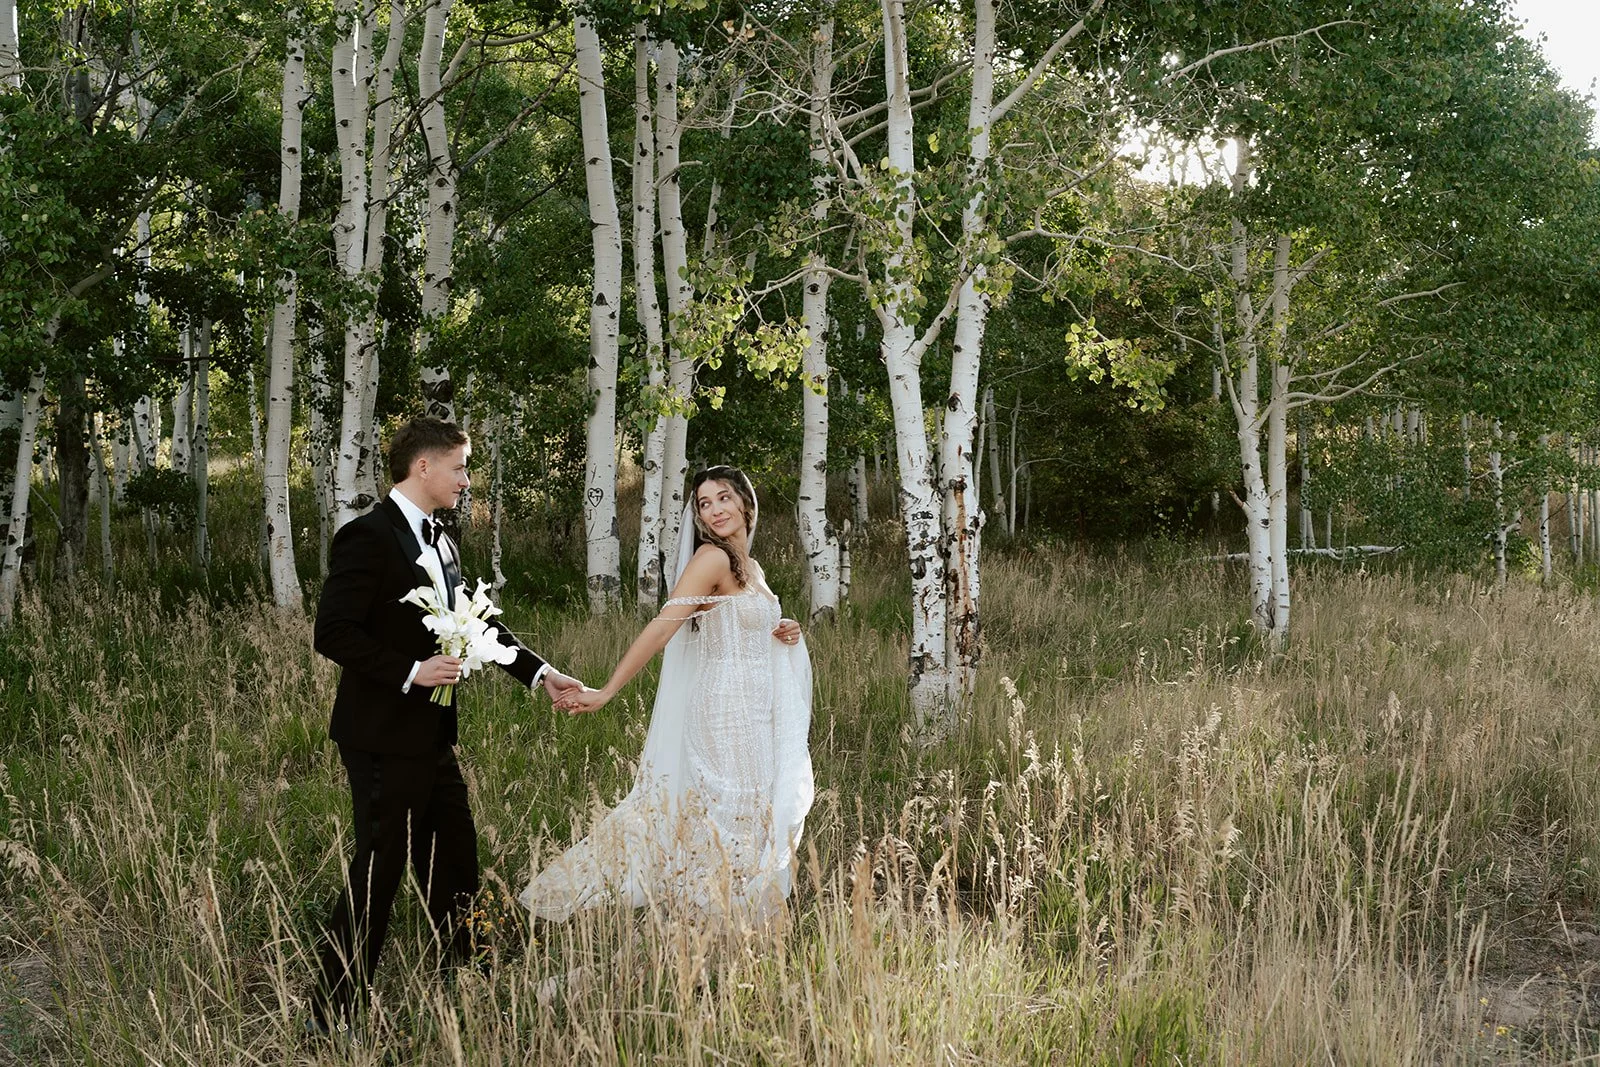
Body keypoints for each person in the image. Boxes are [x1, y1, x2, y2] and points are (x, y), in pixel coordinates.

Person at [307, 416, 582, 1036]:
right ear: (423, 467)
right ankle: (332, 1015)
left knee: (455, 855)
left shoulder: (445, 538)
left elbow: (477, 627)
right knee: (381, 866)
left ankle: (468, 978)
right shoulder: (367, 536)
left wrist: (542, 676)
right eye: (458, 466)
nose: (465, 478)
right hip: (379, 735)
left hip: (433, 737)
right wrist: (411, 670)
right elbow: (333, 632)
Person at [520, 465, 814, 923]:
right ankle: (709, 911)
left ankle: (730, 908)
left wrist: (784, 631)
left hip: (759, 710)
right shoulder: (711, 559)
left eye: (723, 498)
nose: (715, 509)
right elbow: (662, 630)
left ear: (745, 502)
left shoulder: (751, 568)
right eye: (704, 503)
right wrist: (606, 692)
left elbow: (746, 626)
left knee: (754, 809)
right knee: (729, 809)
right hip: (723, 710)